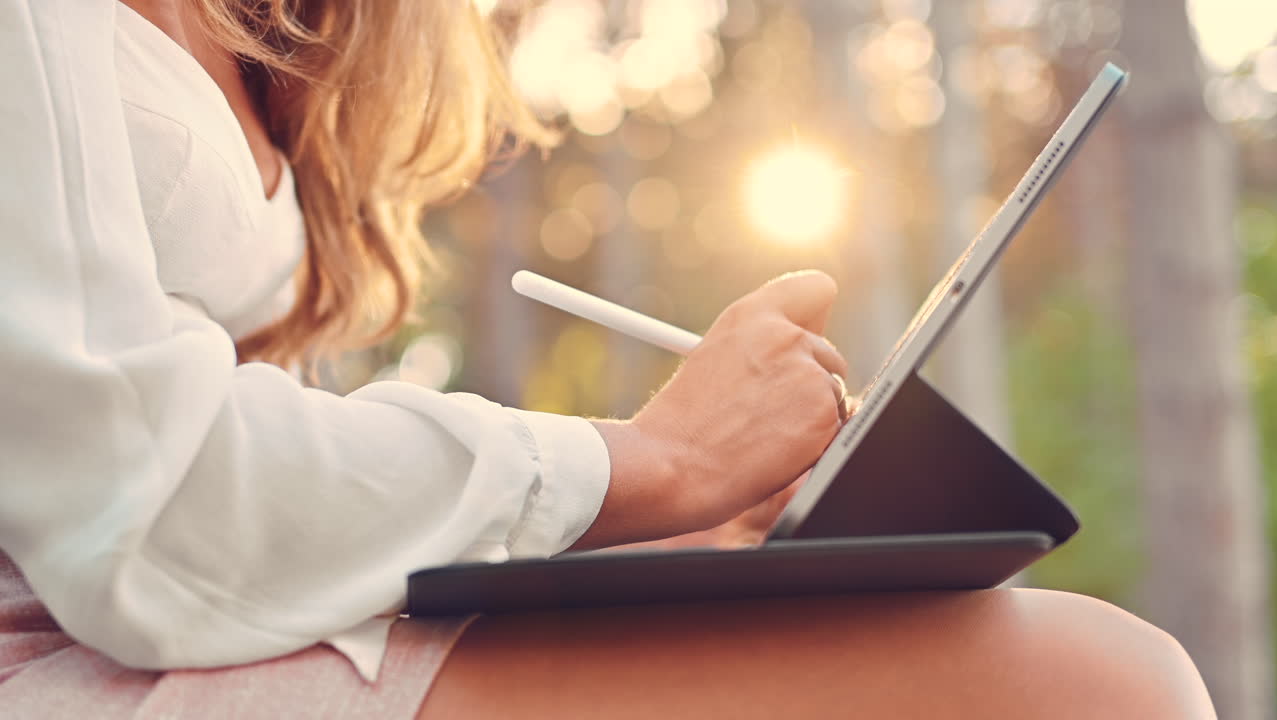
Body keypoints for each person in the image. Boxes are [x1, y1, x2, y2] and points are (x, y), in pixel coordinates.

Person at [0, 0, 1215, 717]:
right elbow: (144, 506)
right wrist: (651, 460)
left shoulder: (288, 33)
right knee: (1088, 686)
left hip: (192, 619)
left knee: (1087, 671)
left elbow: (256, 488)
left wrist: (648, 531)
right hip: (65, 655)